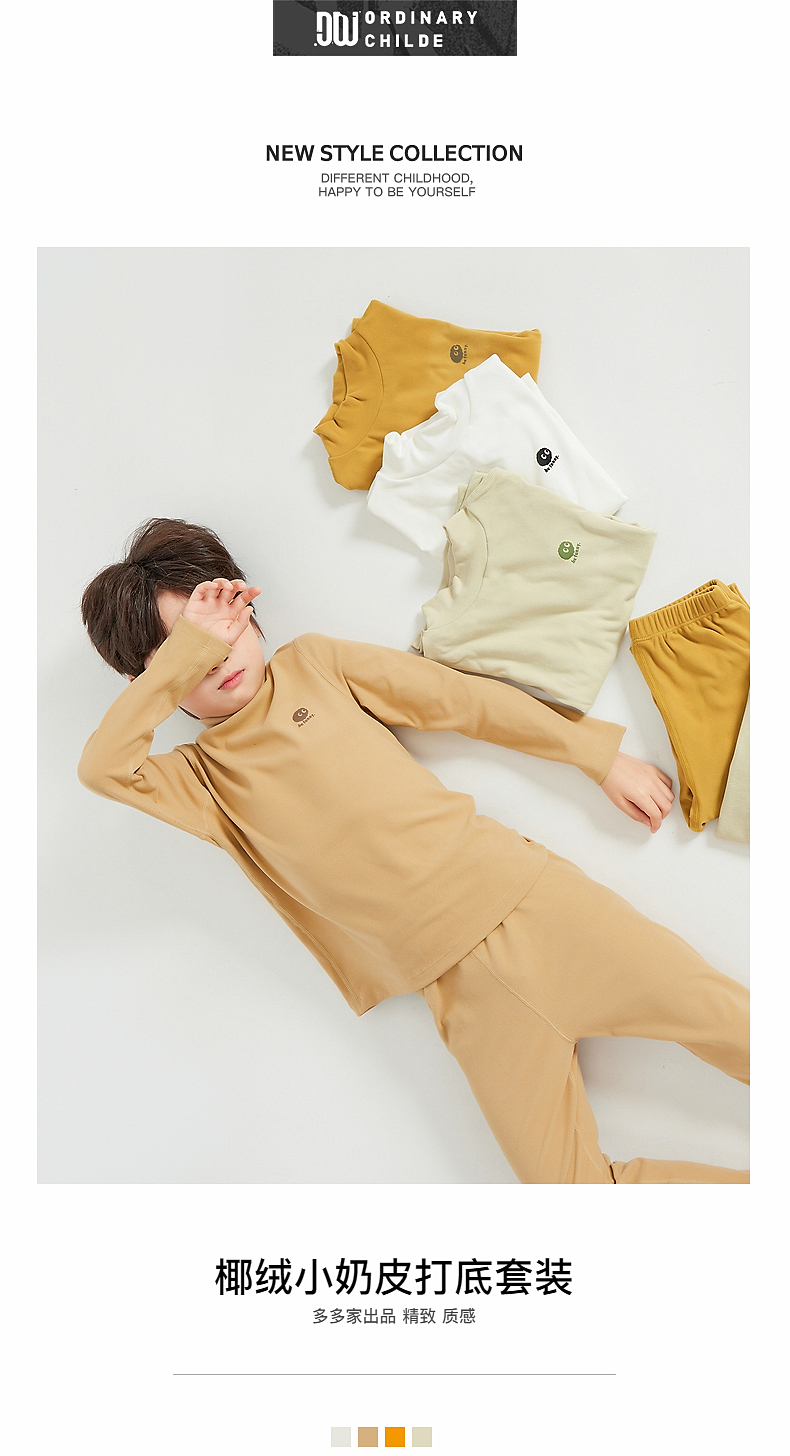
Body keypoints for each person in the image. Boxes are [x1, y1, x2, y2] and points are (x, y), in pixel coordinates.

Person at [79, 518, 749, 1184]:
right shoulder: (198, 782)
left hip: (539, 909)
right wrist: (185, 653)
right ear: (152, 681)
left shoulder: (315, 666)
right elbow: (103, 769)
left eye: (219, 631)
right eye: (186, 655)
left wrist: (595, 756)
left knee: (743, 1030)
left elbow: (462, 702)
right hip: (462, 998)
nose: (216, 660)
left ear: (246, 608)